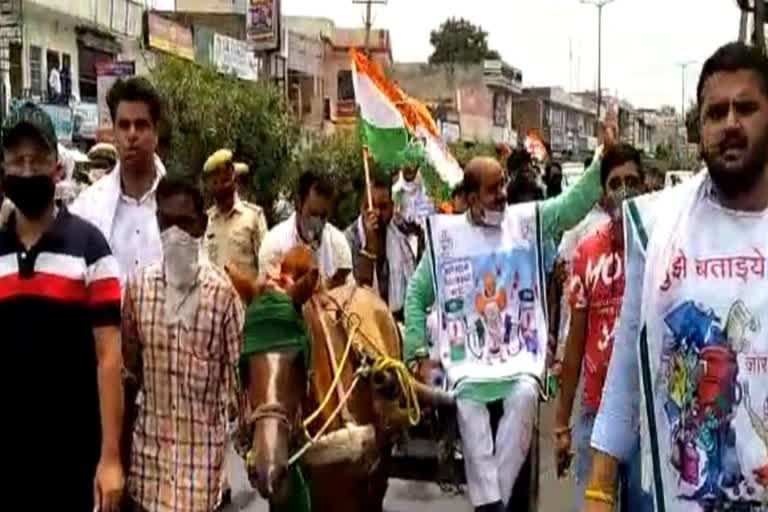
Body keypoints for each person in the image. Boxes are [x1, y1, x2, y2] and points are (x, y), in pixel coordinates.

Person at [586, 42, 768, 512]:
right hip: (675, 488)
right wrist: (600, 489)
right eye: (716, 112)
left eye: (745, 108)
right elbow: (628, 359)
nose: (730, 123)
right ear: (699, 127)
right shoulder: (658, 226)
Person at [405, 121, 616, 511]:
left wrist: (603, 158)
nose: (502, 196)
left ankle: (491, 502)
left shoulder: (525, 223)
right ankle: (492, 503)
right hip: (469, 363)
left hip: (517, 357)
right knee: (467, 407)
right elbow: (416, 295)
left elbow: (570, 206)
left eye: (503, 185)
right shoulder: (446, 241)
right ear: (469, 198)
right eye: (492, 190)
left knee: (523, 396)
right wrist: (415, 352)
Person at [0, 103, 124, 510]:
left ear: (57, 167)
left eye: (37, 159)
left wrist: (109, 459)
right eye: (17, 160)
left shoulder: (90, 248)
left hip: (76, 460)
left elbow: (109, 358)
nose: (27, 169)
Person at [122, 176, 244, 512]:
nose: (175, 234)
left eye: (185, 223)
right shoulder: (137, 290)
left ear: (201, 225)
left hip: (201, 485)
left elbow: (240, 387)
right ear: (157, 222)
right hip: (147, 478)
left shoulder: (223, 296)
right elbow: (128, 375)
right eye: (167, 223)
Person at [553, 144, 645, 512]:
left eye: (632, 181)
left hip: (647, 416)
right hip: (596, 411)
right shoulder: (587, 252)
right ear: (603, 195)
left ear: (646, 186)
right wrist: (561, 425)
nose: (624, 190)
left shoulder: (662, 246)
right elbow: (575, 344)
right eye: (615, 183)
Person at [71, 77, 167, 283]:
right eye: (124, 125)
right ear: (114, 132)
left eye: (141, 125)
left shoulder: (181, 205)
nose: (132, 135)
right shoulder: (86, 208)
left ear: (156, 133)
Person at [259, 170, 352, 287]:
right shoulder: (273, 244)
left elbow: (349, 295)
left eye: (323, 216)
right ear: (298, 203)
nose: (317, 223)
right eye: (312, 214)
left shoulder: (339, 245)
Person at [345, 174, 416, 319]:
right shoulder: (347, 241)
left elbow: (413, 291)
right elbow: (359, 292)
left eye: (383, 207)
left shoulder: (401, 238)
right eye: (370, 206)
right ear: (361, 207)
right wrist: (370, 246)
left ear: (392, 207)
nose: (376, 213)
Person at [203, 149, 268, 280]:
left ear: (234, 178)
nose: (221, 185)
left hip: (245, 299)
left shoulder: (253, 216)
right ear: (210, 184)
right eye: (215, 181)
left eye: (225, 179)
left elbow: (266, 265)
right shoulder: (206, 221)